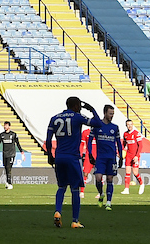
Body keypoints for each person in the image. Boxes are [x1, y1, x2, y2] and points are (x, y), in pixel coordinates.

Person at [46, 96, 100, 229]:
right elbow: (98, 123)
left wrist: (49, 155)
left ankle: (58, 211)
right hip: (73, 158)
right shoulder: (78, 117)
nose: (80, 108)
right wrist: (92, 109)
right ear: (75, 106)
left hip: (59, 157)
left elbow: (48, 139)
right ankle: (75, 221)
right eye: (80, 106)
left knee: (61, 187)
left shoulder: (54, 118)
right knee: (75, 189)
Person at [87, 105, 123, 210]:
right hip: (100, 158)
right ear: (105, 113)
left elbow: (118, 143)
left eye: (113, 114)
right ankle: (101, 193)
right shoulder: (97, 126)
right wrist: (90, 154)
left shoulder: (115, 127)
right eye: (110, 113)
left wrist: (120, 156)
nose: (112, 116)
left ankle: (108, 202)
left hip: (111, 158)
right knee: (98, 178)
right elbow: (90, 141)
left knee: (110, 178)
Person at [0, 121, 24, 189]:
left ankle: (10, 183)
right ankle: (7, 182)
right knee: (6, 167)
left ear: (9, 126)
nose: (5, 126)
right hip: (4, 154)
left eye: (6, 125)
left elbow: (18, 143)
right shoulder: (2, 135)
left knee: (9, 167)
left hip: (11, 154)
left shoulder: (13, 134)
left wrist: (22, 152)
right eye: (4, 125)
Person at [121, 119, 145, 195]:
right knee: (127, 172)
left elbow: (140, 146)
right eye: (128, 124)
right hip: (128, 155)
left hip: (135, 156)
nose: (129, 126)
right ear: (126, 125)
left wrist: (137, 156)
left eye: (131, 124)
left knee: (135, 172)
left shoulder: (136, 134)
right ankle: (126, 189)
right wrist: (121, 152)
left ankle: (141, 184)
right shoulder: (125, 134)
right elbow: (124, 144)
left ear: (133, 124)